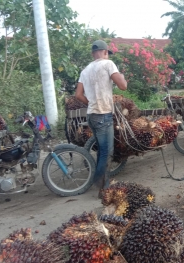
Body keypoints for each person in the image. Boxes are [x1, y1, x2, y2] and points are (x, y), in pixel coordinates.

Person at [75, 40, 127, 190]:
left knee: (101, 151)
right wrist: (122, 77)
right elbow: (123, 86)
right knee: (106, 152)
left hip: (91, 116)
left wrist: (91, 103)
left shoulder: (85, 70)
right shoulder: (108, 64)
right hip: (103, 115)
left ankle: (100, 181)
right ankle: (101, 186)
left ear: (93, 54)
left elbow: (78, 95)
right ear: (105, 52)